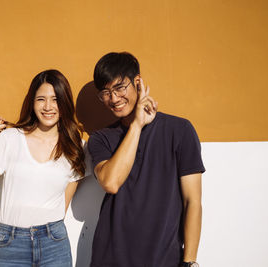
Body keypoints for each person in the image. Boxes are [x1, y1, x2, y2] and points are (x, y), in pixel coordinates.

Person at [88, 52, 205, 267]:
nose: (113, 99)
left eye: (119, 88)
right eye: (105, 92)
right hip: (111, 259)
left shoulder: (179, 131)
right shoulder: (100, 139)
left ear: (138, 83)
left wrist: (189, 262)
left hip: (164, 260)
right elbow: (111, 183)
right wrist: (137, 125)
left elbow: (193, 202)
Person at [0, 69, 89, 267]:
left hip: (54, 243)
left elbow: (65, 198)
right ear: (32, 103)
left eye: (55, 99)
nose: (48, 107)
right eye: (41, 99)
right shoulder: (11, 139)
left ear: (64, 103)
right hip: (10, 244)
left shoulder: (75, 146)